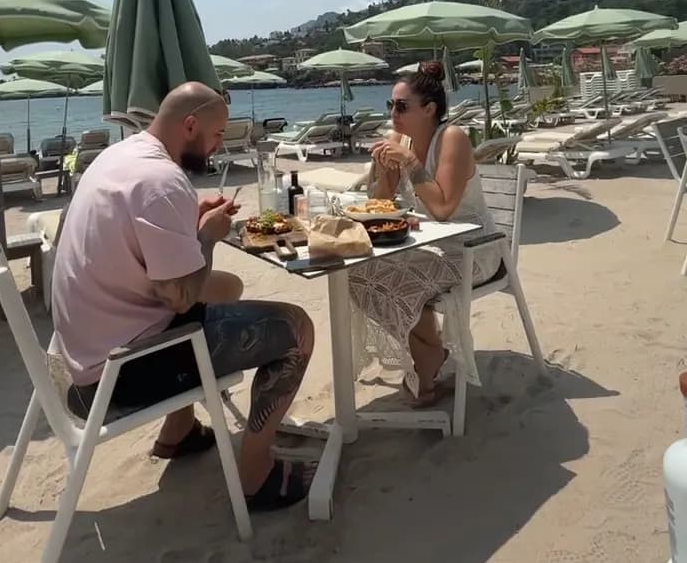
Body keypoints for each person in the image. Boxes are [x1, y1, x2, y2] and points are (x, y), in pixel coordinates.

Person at [51, 82, 314, 511]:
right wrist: (207, 237)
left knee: (227, 287)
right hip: (119, 375)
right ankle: (255, 474)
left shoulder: (122, 155)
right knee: (296, 328)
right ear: (190, 124)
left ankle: (180, 432)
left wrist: (189, 219)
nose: (216, 147)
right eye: (215, 135)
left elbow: (137, 236)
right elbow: (180, 299)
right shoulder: (162, 180)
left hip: (80, 350)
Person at [349, 61, 499, 406]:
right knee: (357, 276)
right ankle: (432, 352)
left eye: (401, 106)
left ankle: (426, 361)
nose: (393, 113)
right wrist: (385, 172)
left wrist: (412, 164)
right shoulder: (398, 140)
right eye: (390, 105)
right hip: (426, 245)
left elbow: (443, 209)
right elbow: (381, 205)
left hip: (474, 248)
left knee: (399, 282)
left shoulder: (452, 138)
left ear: (430, 109)